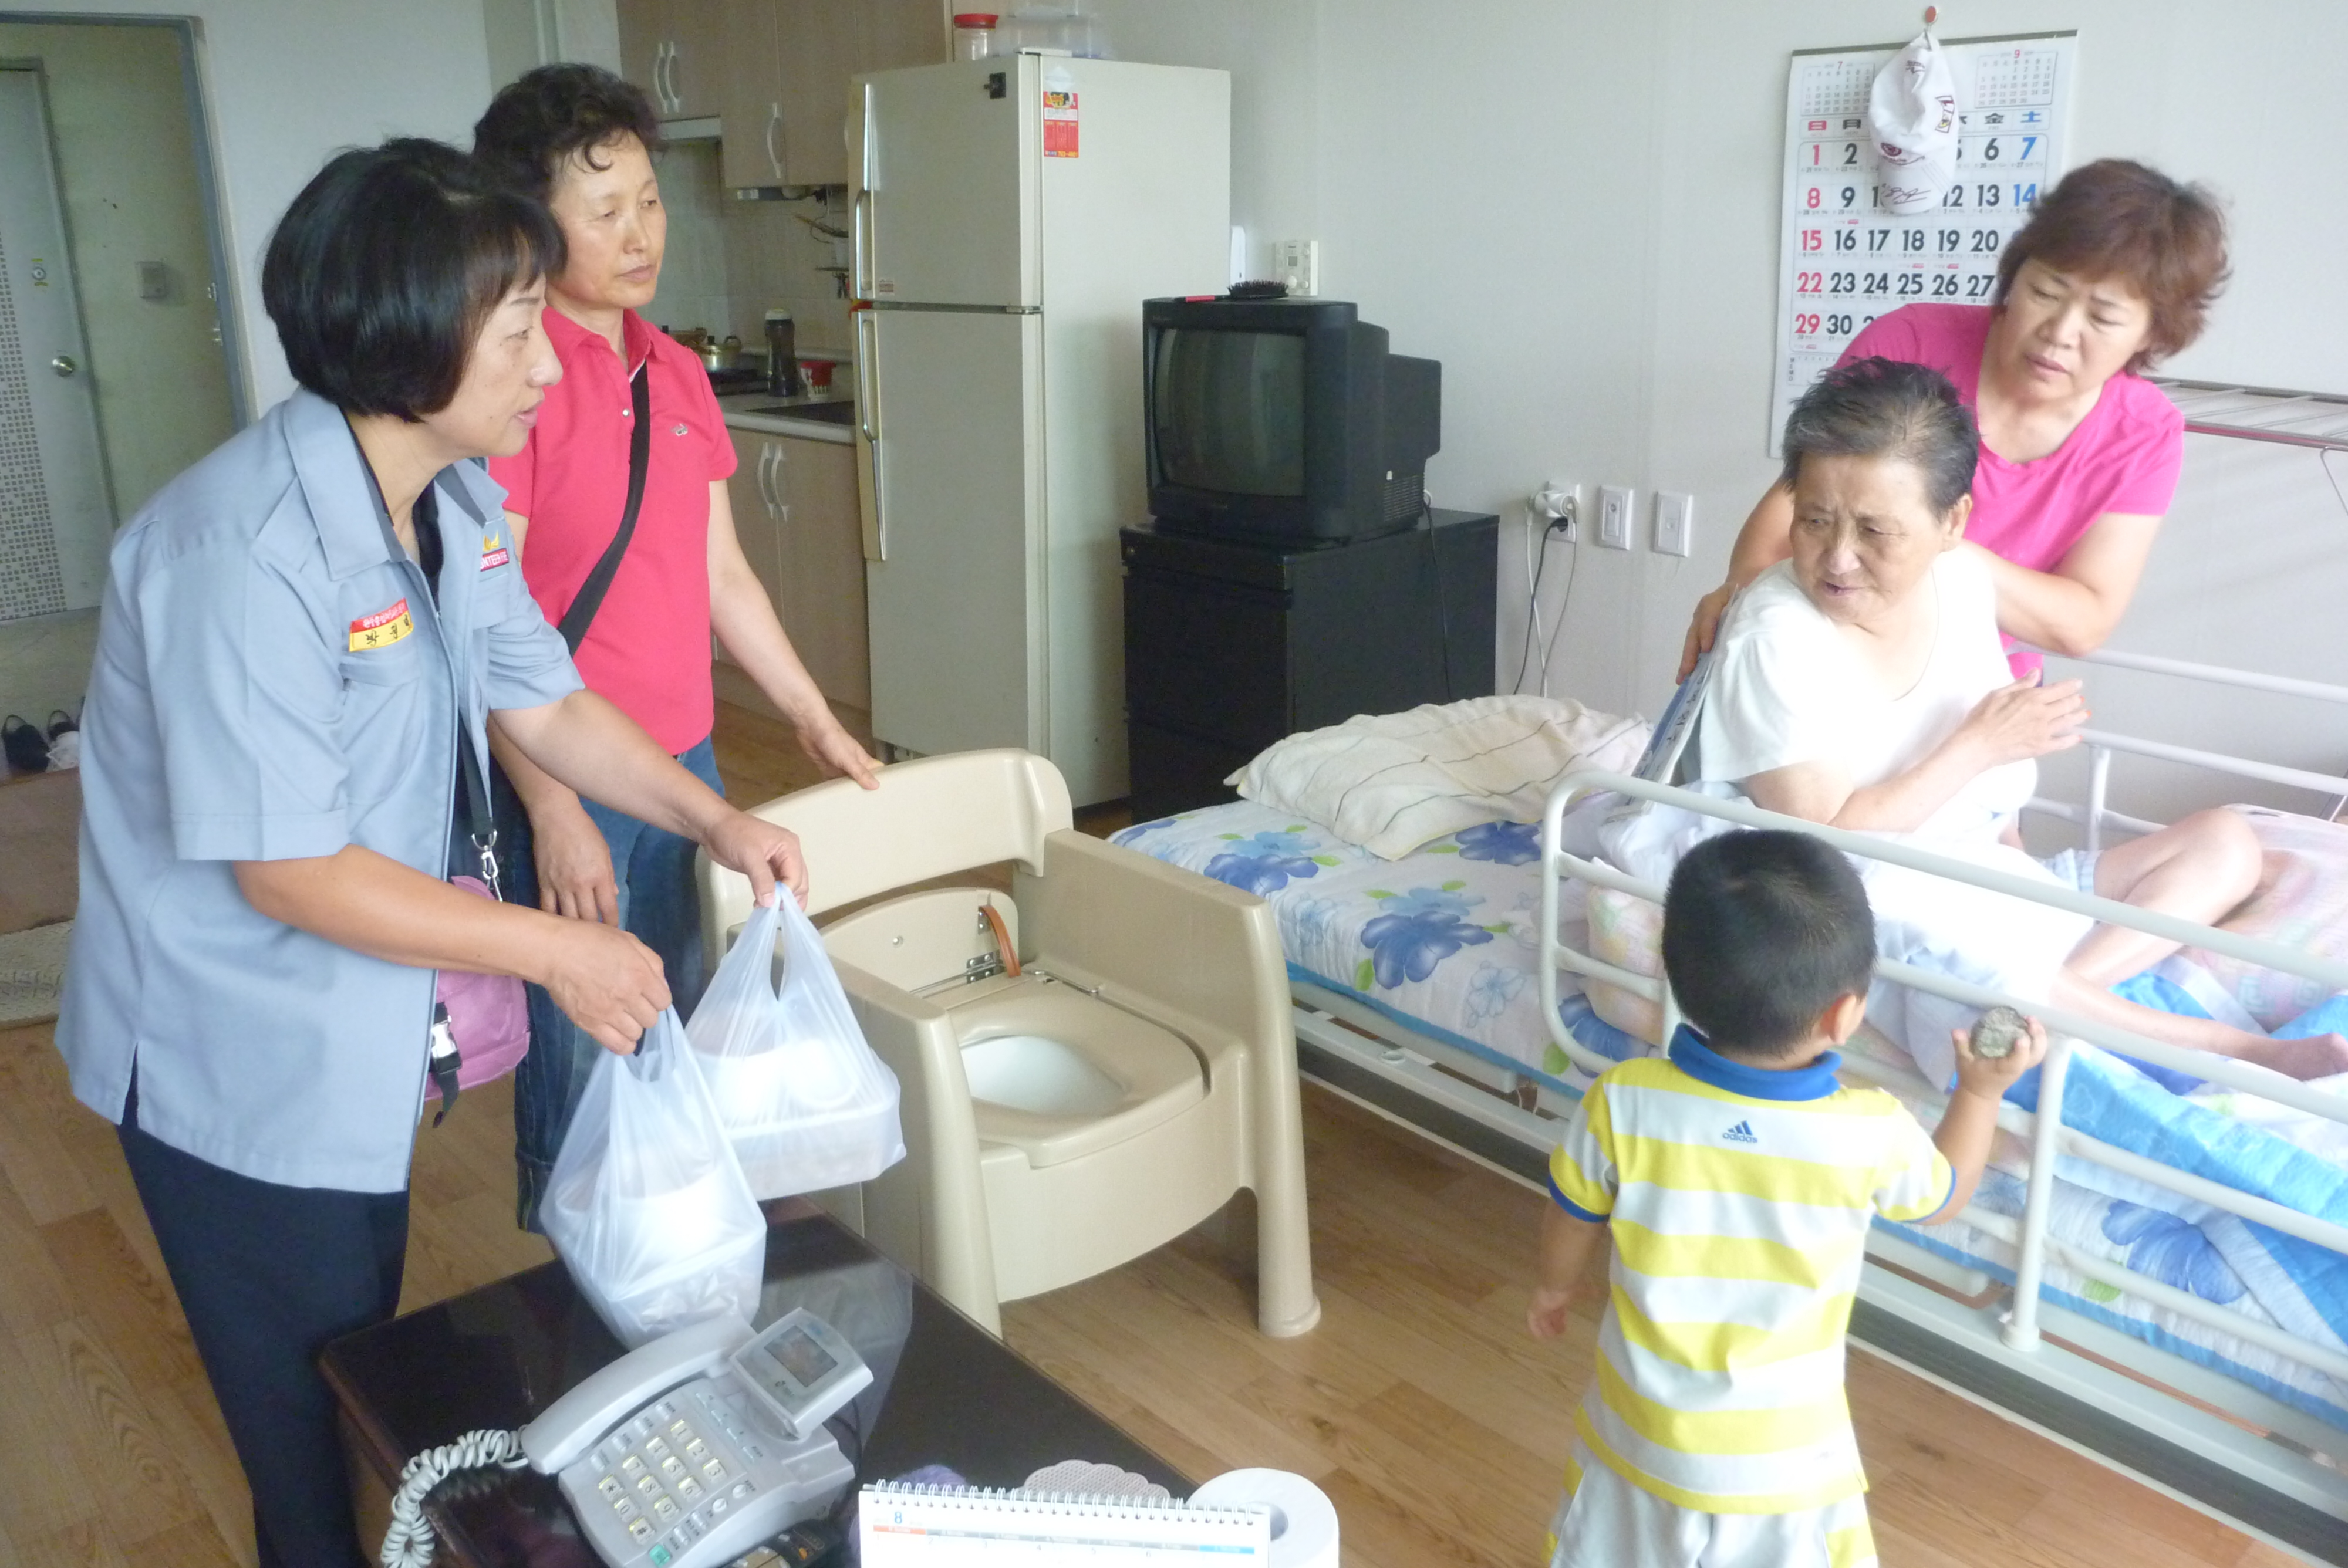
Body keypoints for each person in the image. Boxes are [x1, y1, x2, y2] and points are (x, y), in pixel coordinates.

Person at [52, 140, 808, 1568]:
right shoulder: (243, 553)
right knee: (305, 1419)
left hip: (349, 1026)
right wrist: (559, 948)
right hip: (232, 1052)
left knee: (356, 1347)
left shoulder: (446, 501)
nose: (547, 365)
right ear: (409, 340)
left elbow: (548, 701)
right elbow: (290, 870)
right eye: (518, 332)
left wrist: (712, 817)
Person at [470, 65, 881, 1229]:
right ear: (531, 225)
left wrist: (808, 713)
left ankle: (679, 1239)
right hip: (566, 779)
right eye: (605, 210)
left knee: (682, 1012)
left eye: (648, 201)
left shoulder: (678, 371)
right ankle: (584, 1259)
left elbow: (721, 574)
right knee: (585, 1042)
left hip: (684, 761)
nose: (641, 232)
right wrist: (552, 807)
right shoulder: (513, 387)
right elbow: (489, 625)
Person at [1696, 356, 2347, 1079]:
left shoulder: (1962, 580)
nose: (1838, 558)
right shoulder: (1773, 633)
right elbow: (1821, 839)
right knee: (1968, 946)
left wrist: (2012, 845)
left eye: (1875, 531)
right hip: (1877, 894)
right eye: (1815, 520)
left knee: (2226, 844)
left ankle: (2069, 992)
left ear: (1952, 522)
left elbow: (1995, 795)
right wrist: (1978, 746)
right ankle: (2229, 1046)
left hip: (1989, 875)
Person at [1528, 829, 2046, 1568]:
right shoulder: (1867, 1130)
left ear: (1677, 977)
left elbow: (1571, 1214)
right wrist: (1980, 1092)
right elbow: (1941, 1194)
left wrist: (1552, 1286)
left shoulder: (1622, 1101)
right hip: (1786, 1465)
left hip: (1638, 1436)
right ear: (1844, 1014)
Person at [1684, 159, 2228, 680]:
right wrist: (1744, 606)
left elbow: (2083, 621)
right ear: (2013, 276)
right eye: (2045, 292)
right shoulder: (1912, 344)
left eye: (2103, 318)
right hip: (1837, 648)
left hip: (1977, 678)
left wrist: (1934, 544)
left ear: (2153, 334)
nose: (2060, 332)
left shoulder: (2144, 435)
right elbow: (1796, 512)